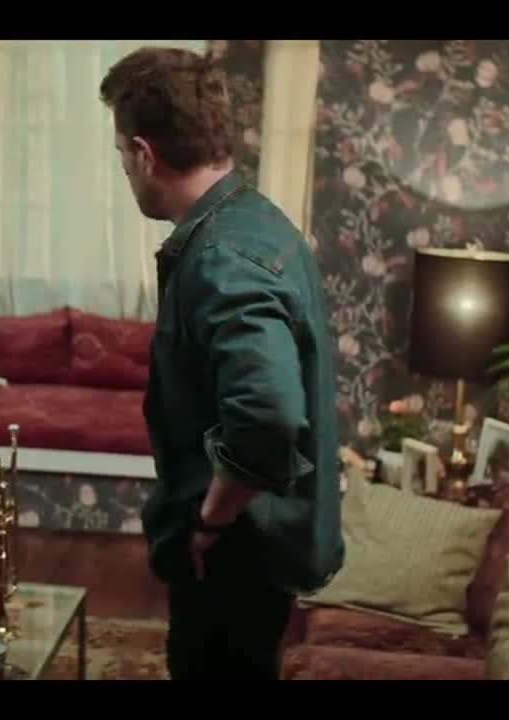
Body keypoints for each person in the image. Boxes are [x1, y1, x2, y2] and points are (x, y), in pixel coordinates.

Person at [99, 47, 344, 679]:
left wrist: (209, 520)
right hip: (261, 552)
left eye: (122, 156)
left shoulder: (223, 256)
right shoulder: (258, 222)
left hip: (236, 560)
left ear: (145, 154)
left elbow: (267, 414)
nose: (125, 170)